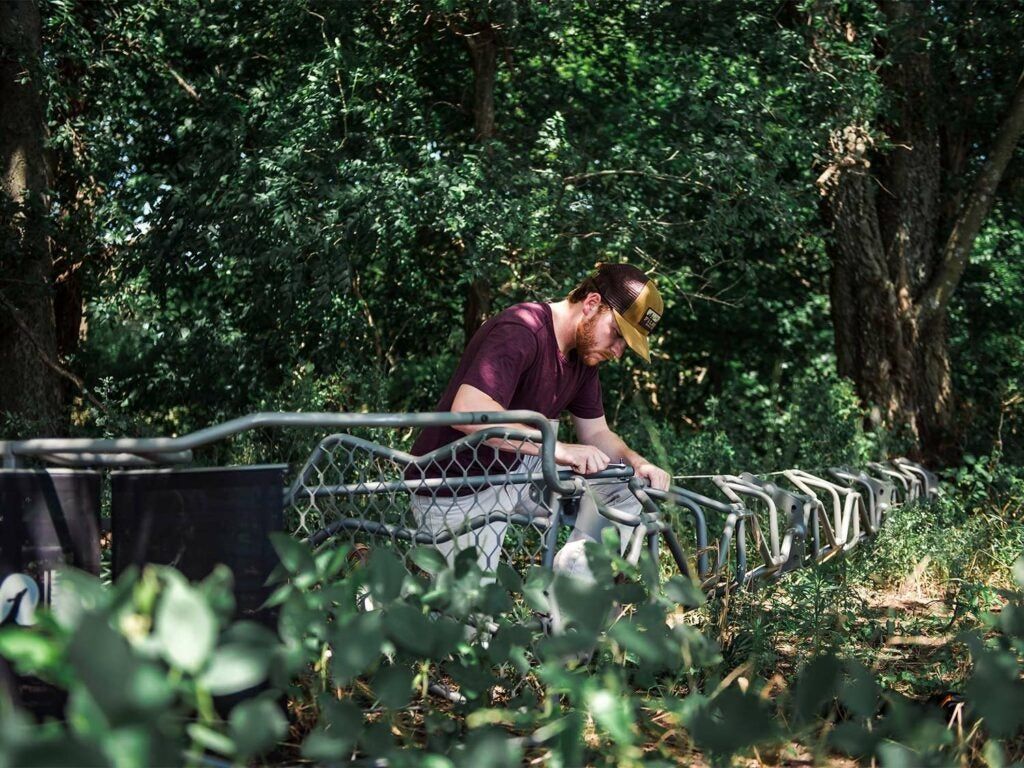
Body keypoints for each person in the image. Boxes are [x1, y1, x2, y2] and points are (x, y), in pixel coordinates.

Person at [408, 262, 671, 582]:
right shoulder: (522, 329)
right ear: (591, 304)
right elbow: (468, 410)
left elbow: (596, 432)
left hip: (516, 471)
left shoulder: (583, 358)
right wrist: (558, 449)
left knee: (628, 484)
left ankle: (570, 589)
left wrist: (637, 462)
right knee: (472, 617)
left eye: (625, 345)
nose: (617, 351)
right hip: (456, 485)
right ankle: (372, 598)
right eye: (616, 335)